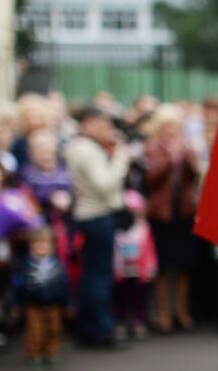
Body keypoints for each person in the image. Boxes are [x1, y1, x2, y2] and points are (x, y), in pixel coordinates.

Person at [66, 106, 133, 348]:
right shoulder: (86, 150)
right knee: (99, 277)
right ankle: (100, 330)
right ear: (88, 123)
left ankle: (89, 328)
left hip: (94, 215)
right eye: (103, 125)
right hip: (97, 216)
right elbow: (104, 183)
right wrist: (120, 159)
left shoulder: (82, 148)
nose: (108, 131)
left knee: (93, 276)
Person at [141, 105, 201, 332]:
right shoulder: (152, 149)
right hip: (161, 214)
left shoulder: (187, 148)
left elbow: (194, 176)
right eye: (167, 126)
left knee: (184, 266)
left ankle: (182, 312)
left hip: (184, 212)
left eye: (175, 127)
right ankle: (164, 314)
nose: (172, 131)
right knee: (163, 267)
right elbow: (150, 179)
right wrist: (169, 160)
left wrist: (186, 157)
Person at [12, 226, 69, 369]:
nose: (41, 247)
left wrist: (67, 303)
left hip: (53, 303)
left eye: (45, 243)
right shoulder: (25, 265)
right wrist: (16, 303)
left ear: (52, 246)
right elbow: (18, 285)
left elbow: (63, 284)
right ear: (31, 246)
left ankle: (51, 354)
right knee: (35, 331)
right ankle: (34, 355)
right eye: (37, 243)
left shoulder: (57, 264)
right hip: (33, 304)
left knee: (54, 329)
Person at [113, 190, 158, 341]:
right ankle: (122, 321)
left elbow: (149, 249)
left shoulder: (144, 228)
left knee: (139, 297)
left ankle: (139, 321)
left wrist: (150, 267)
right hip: (122, 271)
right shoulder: (117, 230)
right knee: (122, 297)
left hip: (139, 271)